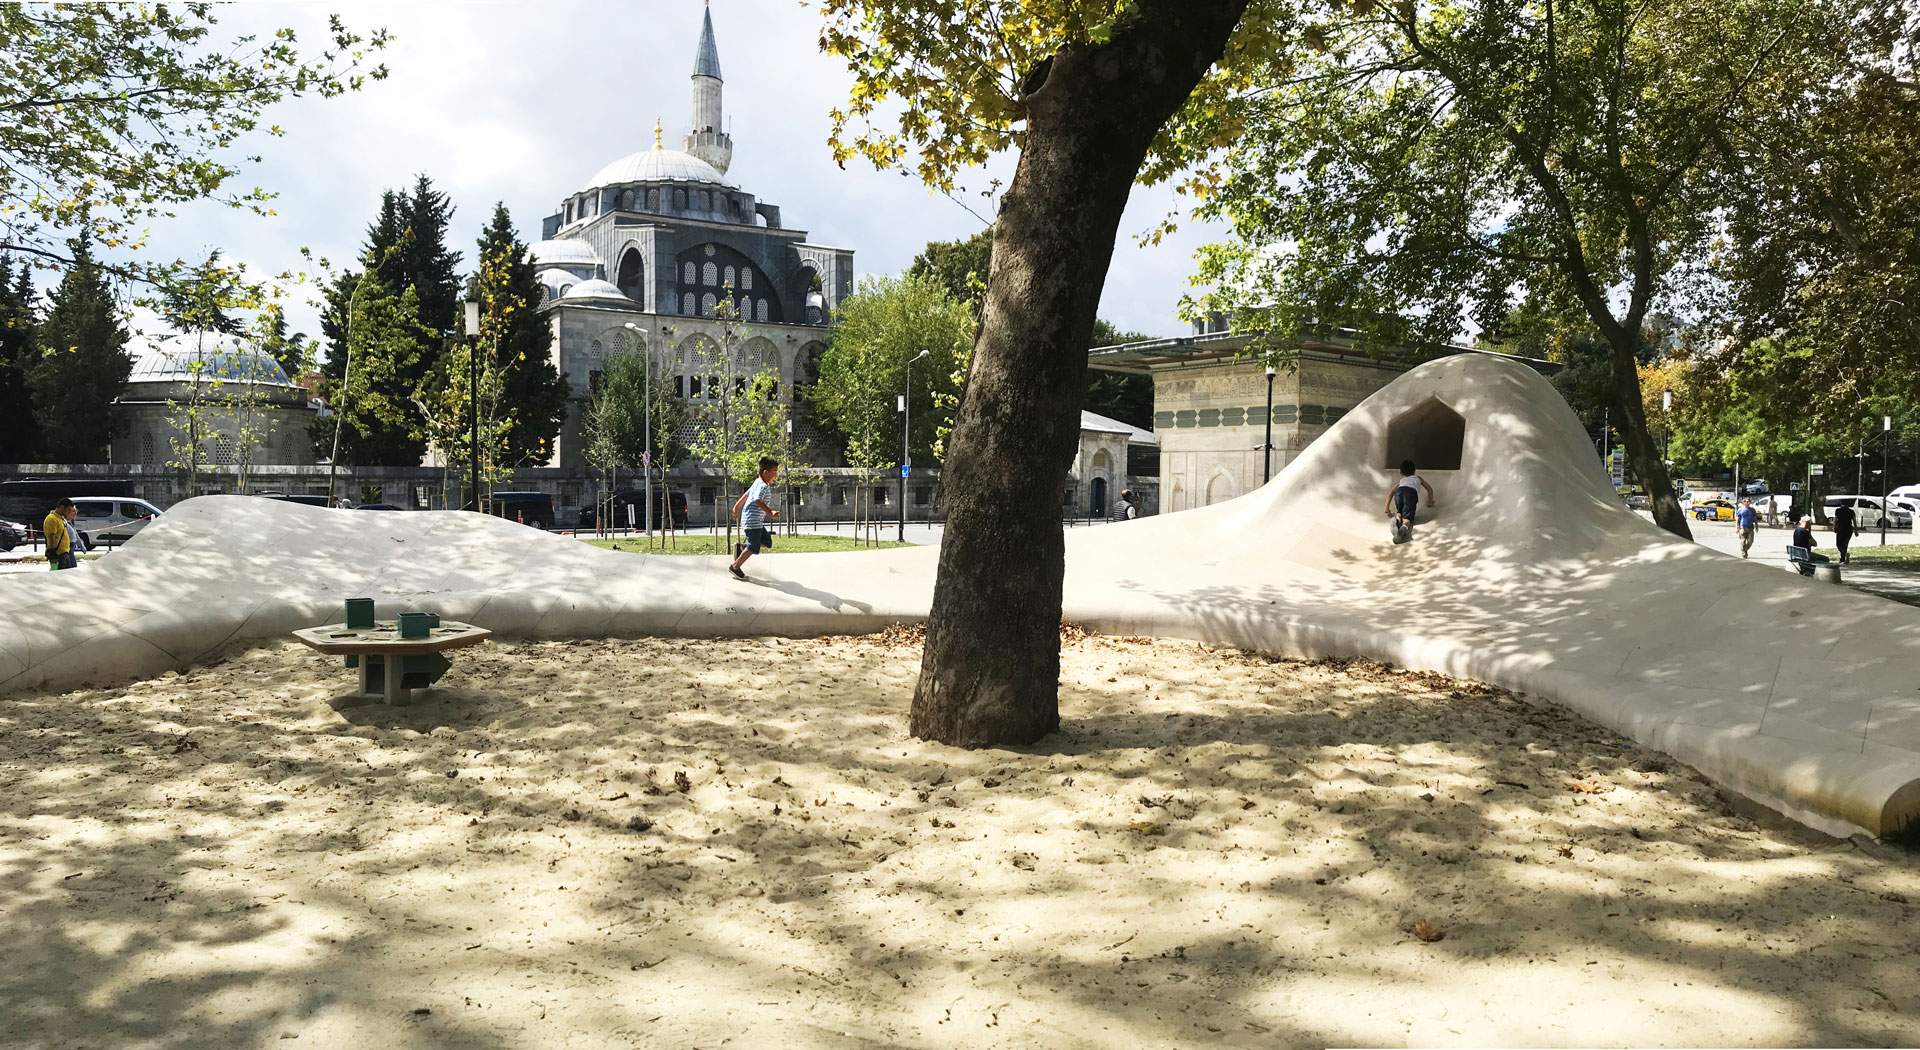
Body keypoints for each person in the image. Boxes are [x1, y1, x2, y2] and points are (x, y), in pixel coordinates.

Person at [727, 457, 781, 581]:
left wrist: (736, 507)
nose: (776, 474)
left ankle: (742, 548)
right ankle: (735, 567)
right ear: (766, 472)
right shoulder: (762, 486)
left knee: (767, 542)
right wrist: (770, 512)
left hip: (754, 522)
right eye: (774, 471)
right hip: (752, 521)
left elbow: (746, 495)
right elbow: (757, 500)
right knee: (753, 547)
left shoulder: (757, 482)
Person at [1384, 459, 1436, 541]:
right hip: (1410, 494)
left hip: (1399, 492)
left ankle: (1397, 519)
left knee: (1400, 511)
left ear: (1401, 472)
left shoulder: (1401, 481)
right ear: (1414, 471)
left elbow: (1391, 493)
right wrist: (1430, 501)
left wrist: (1387, 509)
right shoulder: (1418, 478)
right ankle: (1404, 528)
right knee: (1408, 519)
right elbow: (1429, 489)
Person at [40, 499, 74, 571]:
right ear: (62, 507)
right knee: (60, 576)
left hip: (64, 553)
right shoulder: (51, 519)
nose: (69, 512)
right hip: (58, 554)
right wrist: (53, 554)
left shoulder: (60, 518)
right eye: (68, 510)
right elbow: (51, 537)